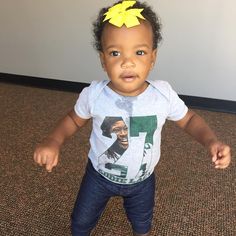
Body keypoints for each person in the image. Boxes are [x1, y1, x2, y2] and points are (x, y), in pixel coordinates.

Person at [33, 1, 231, 235]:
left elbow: (189, 120)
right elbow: (73, 120)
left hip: (142, 181)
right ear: (103, 60)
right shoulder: (94, 94)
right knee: (80, 221)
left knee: (142, 222)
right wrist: (54, 141)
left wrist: (211, 141)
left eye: (139, 52)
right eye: (115, 53)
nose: (127, 62)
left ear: (152, 57)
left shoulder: (162, 94)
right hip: (98, 175)